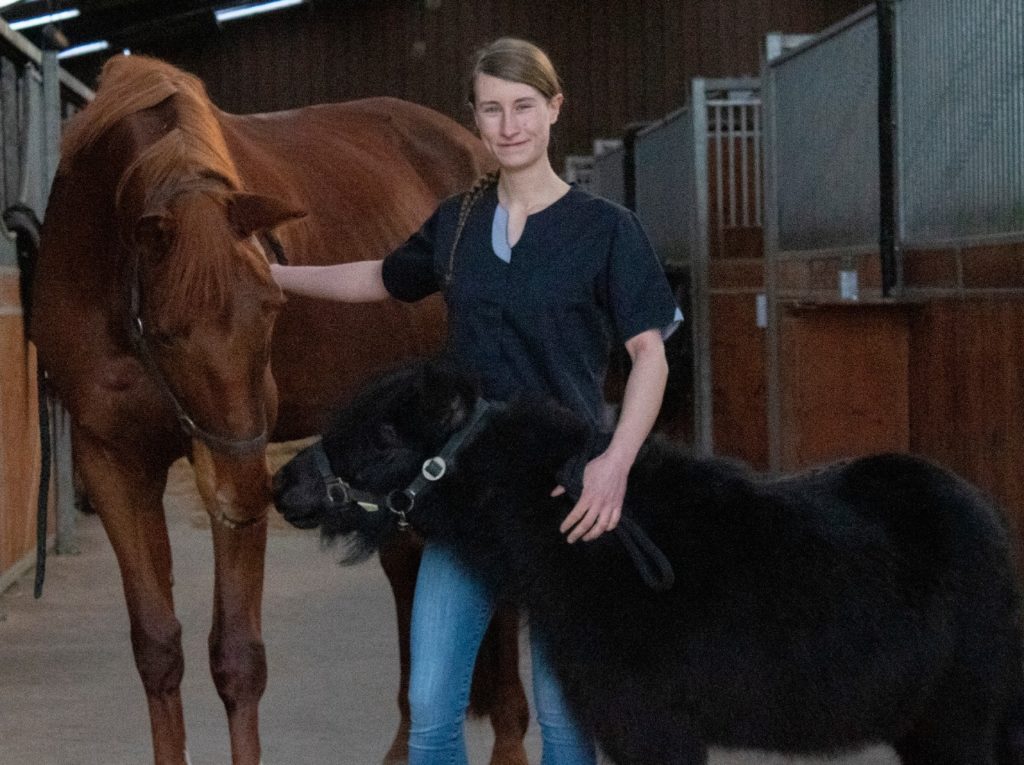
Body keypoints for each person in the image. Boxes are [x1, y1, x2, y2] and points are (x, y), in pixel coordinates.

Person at [271, 36, 681, 765]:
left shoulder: (607, 231)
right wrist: (279, 278)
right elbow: (382, 278)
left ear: (554, 110)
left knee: (564, 716)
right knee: (433, 704)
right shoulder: (458, 221)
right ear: (477, 119)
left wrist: (617, 462)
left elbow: (649, 353)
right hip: (465, 494)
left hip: (568, 495)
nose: (509, 125)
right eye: (492, 109)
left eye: (524, 106)